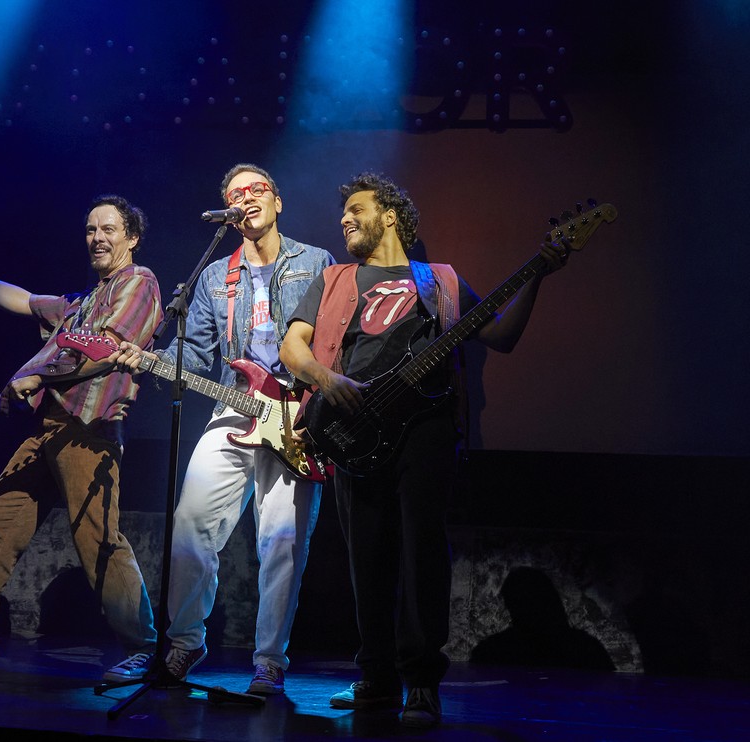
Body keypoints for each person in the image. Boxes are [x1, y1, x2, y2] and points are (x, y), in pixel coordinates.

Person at [279, 172, 569, 727]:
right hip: (353, 429)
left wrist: (539, 274)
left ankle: (420, 683)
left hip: (425, 429)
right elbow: (294, 346)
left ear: (390, 215)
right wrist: (328, 380)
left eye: (356, 209)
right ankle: (378, 676)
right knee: (366, 559)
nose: (344, 219)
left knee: (422, 553)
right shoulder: (334, 277)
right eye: (343, 213)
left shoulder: (440, 280)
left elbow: (501, 336)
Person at [0, 194, 163, 685]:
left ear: (131, 237)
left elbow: (110, 349)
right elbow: (19, 298)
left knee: (98, 540)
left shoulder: (139, 282)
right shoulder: (81, 303)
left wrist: (40, 376)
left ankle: (144, 648)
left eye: (108, 229)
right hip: (48, 428)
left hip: (89, 431)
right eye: (90, 229)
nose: (97, 237)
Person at [113, 164, 336, 695]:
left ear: (277, 201)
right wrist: (145, 359)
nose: (247, 198)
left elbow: (330, 344)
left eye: (257, 189)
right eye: (237, 194)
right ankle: (185, 643)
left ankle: (269, 662)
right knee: (191, 522)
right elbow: (194, 352)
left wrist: (317, 410)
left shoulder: (316, 263)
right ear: (230, 213)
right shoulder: (216, 276)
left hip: (296, 419)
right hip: (234, 412)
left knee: (281, 541)